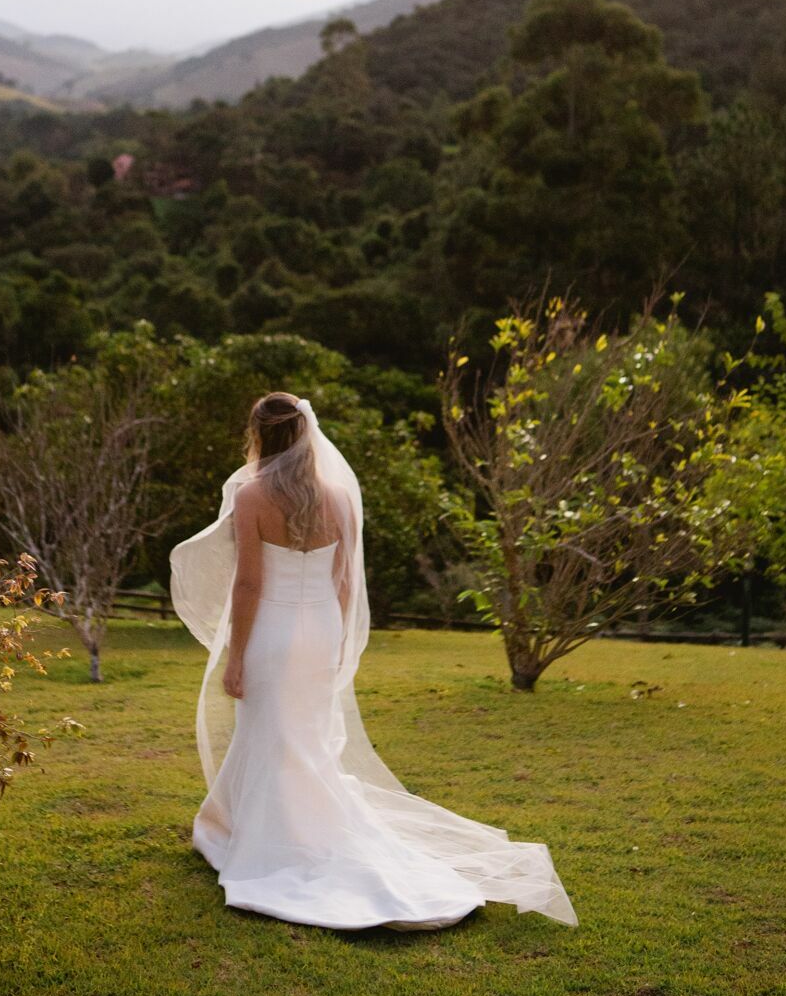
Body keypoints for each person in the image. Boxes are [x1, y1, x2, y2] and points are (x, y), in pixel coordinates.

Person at [169, 391, 578, 931]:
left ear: (260, 436)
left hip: (273, 631)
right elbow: (344, 582)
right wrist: (335, 642)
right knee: (303, 736)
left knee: (272, 734)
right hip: (319, 629)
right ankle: (246, 824)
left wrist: (236, 656)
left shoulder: (252, 497)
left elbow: (248, 583)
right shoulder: (338, 496)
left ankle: (274, 844)